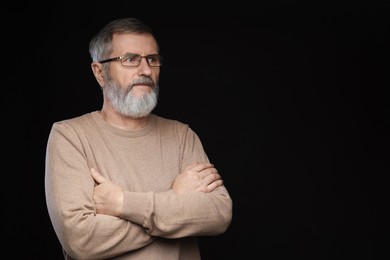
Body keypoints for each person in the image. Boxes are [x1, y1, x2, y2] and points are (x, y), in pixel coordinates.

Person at [44, 17, 233, 260]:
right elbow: (80, 240)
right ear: (99, 72)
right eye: (130, 59)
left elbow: (218, 213)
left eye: (152, 59)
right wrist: (174, 202)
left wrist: (123, 204)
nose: (145, 70)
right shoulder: (70, 136)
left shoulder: (181, 135)